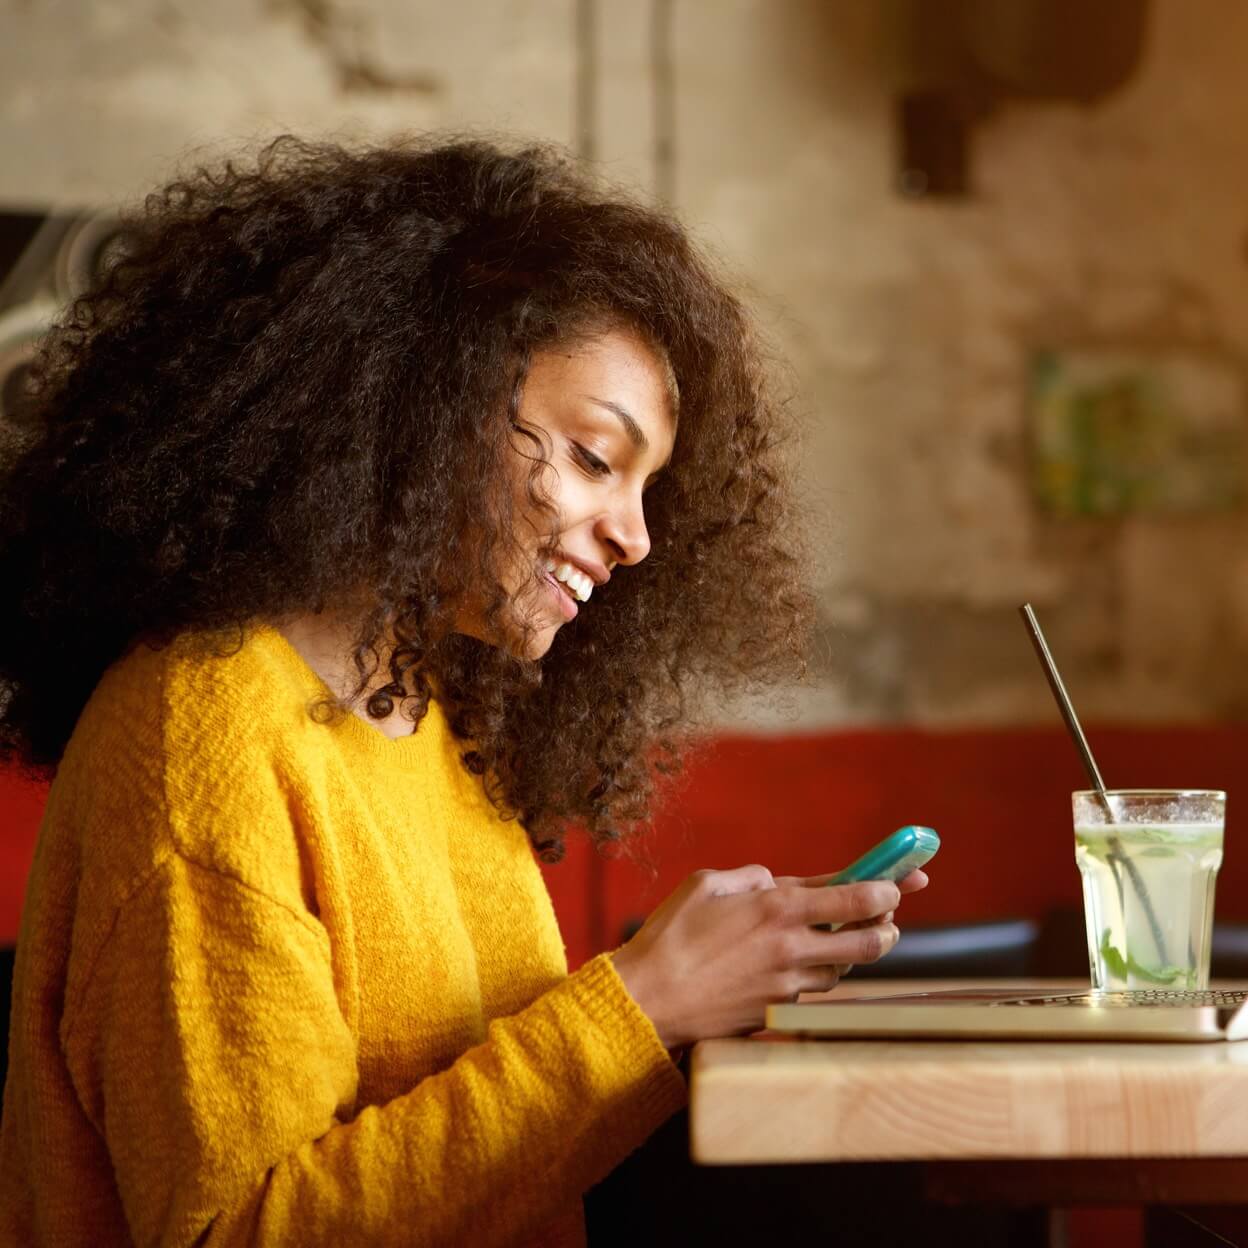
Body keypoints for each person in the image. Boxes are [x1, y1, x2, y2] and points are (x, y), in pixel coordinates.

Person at [0, 136, 927, 1247]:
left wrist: (696, 993)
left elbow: (487, 1134)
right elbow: (238, 1232)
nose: (634, 537)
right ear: (421, 402)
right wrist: (643, 1002)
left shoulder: (424, 713)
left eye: (647, 488)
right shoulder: (200, 733)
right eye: (594, 457)